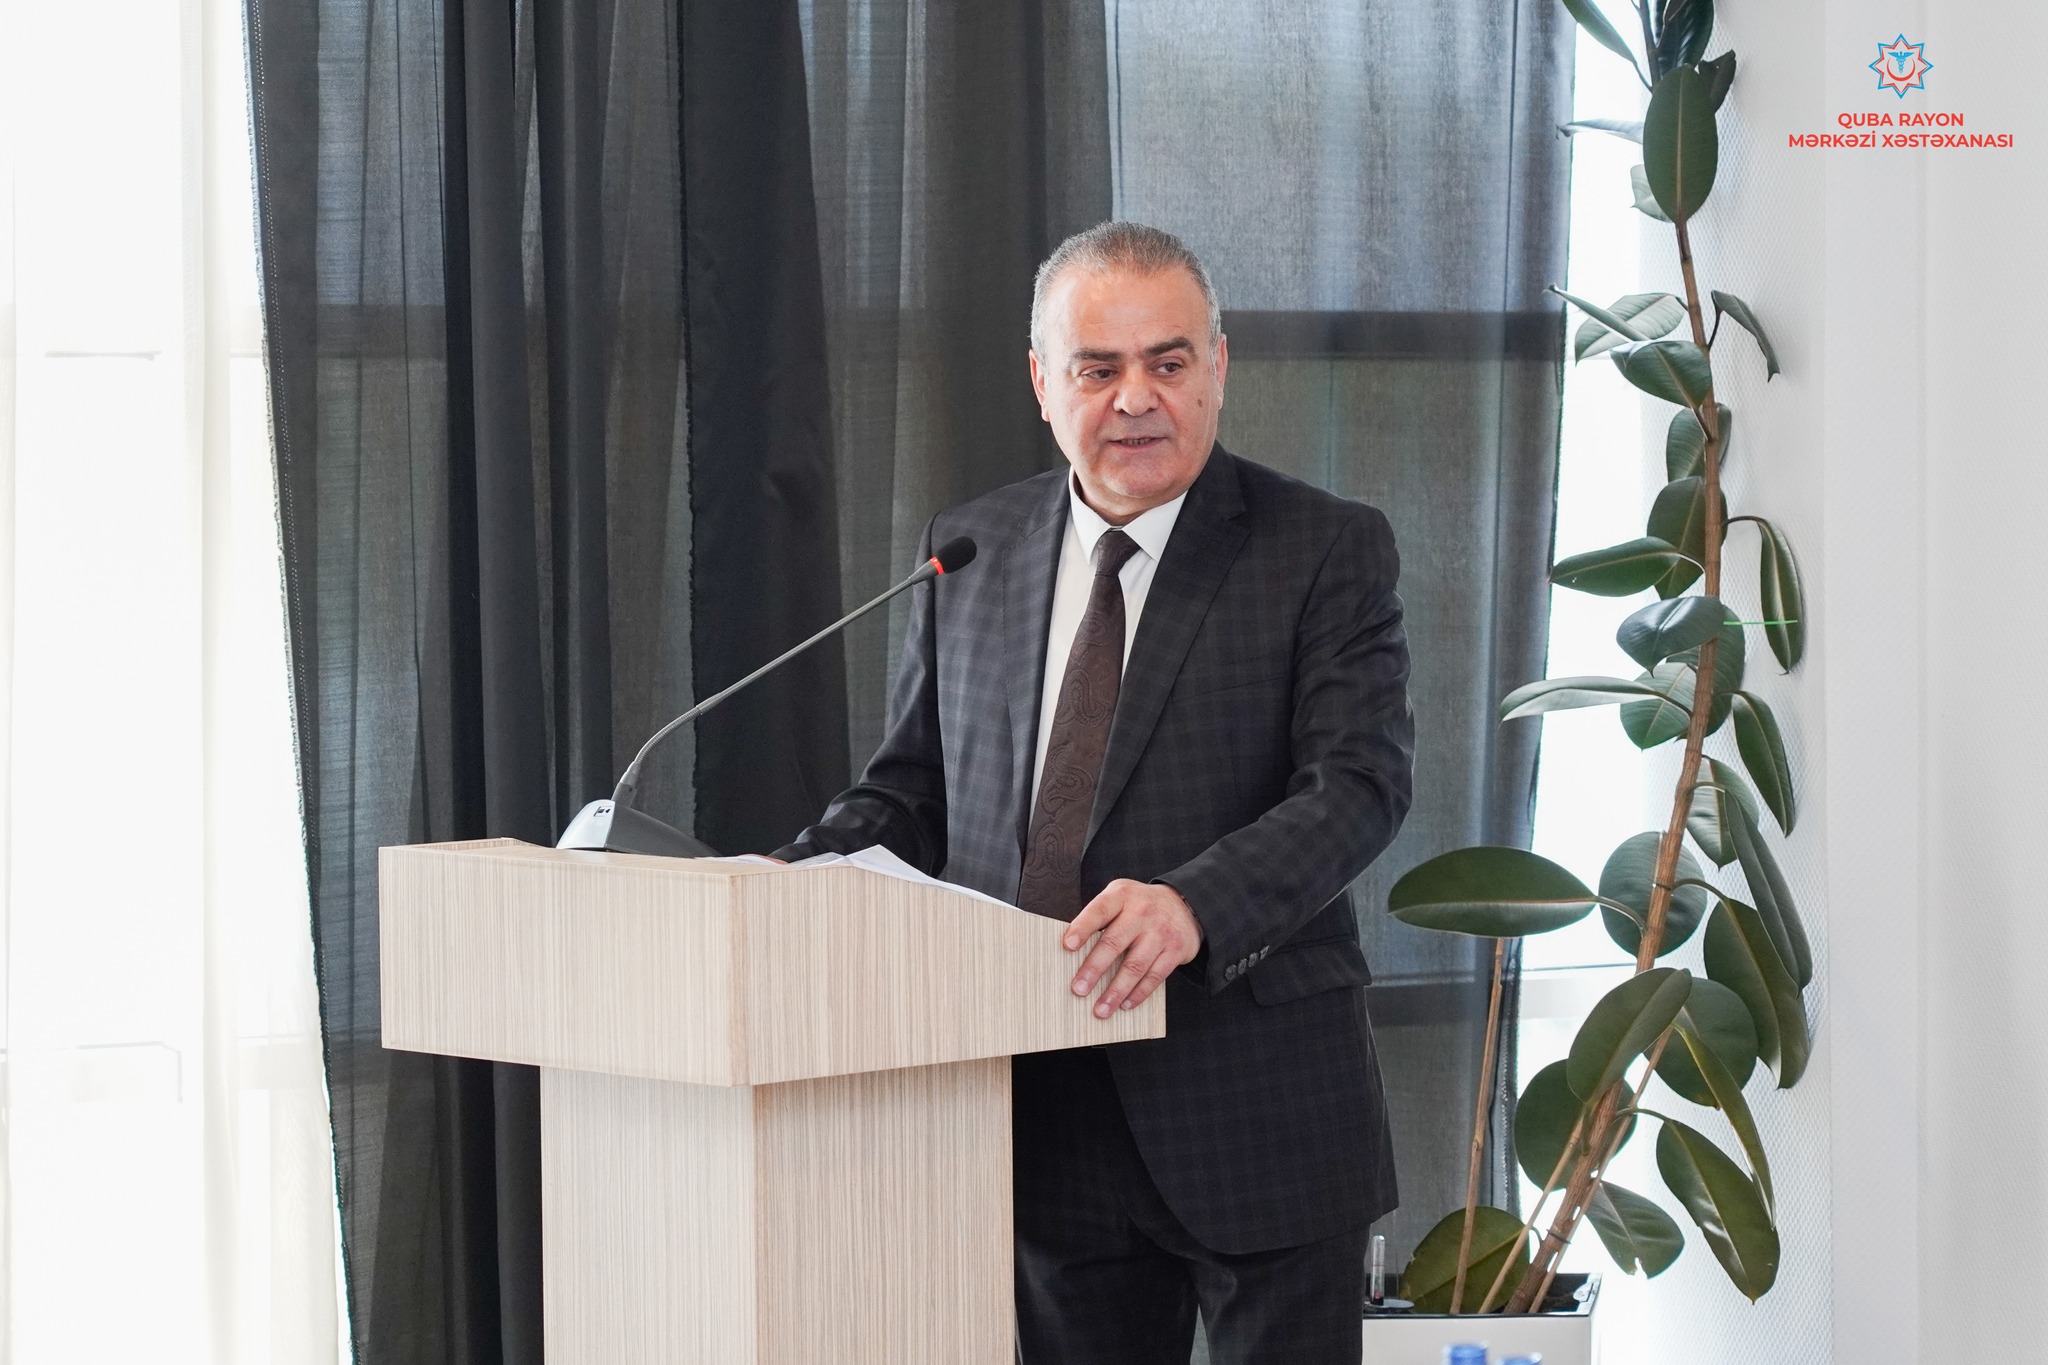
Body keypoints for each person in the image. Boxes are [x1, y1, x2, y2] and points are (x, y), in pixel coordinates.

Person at [773, 221, 1413, 1364]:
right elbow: (913, 792)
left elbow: (1356, 785)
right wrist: (779, 883)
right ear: (1040, 381)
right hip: (1040, 1107)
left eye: (1167, 362)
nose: (1135, 399)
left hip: (1252, 1100)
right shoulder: (967, 548)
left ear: (1217, 367)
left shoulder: (1321, 548)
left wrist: (1193, 904)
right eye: (1097, 367)